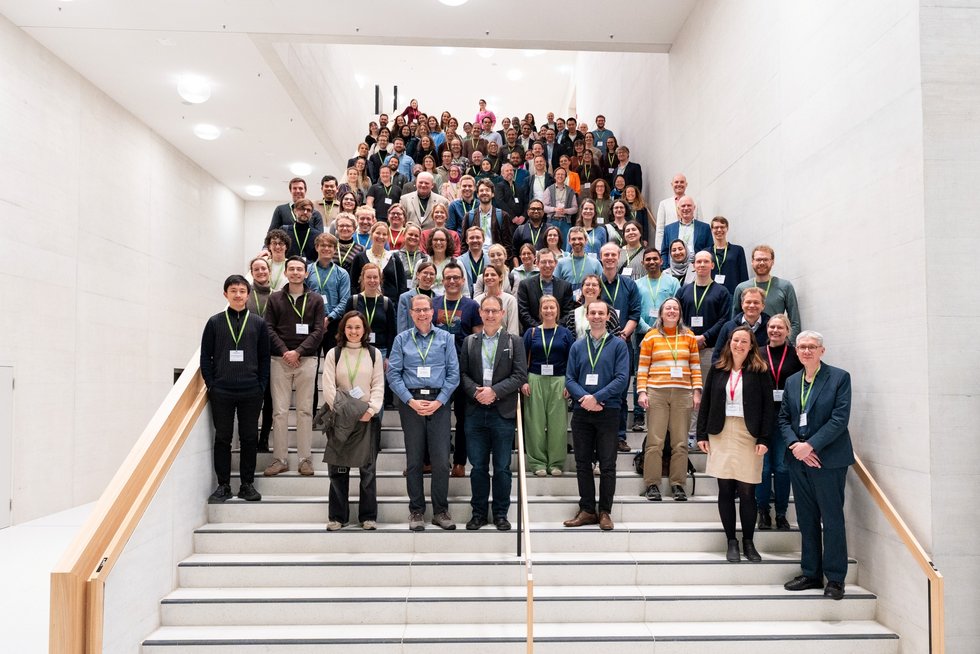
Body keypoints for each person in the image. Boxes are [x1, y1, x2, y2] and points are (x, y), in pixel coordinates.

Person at [778, 331, 854, 601]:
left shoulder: (839, 378)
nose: (806, 351)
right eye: (802, 347)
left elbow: (839, 419)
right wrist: (795, 446)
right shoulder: (792, 381)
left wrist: (810, 446)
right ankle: (811, 572)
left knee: (831, 519)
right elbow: (783, 418)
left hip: (827, 460)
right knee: (806, 518)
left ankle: (835, 578)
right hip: (798, 460)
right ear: (796, 351)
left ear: (822, 350)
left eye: (812, 347)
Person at [696, 326, 774, 562]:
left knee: (748, 491)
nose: (739, 345)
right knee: (725, 490)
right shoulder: (718, 368)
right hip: (721, 432)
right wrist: (701, 435)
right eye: (736, 340)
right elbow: (706, 402)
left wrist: (764, 438)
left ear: (751, 346)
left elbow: (768, 408)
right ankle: (731, 540)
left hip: (748, 433)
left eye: (744, 341)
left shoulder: (760, 370)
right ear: (729, 342)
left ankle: (748, 541)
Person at [387, 294, 461, 531]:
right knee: (414, 460)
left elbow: (454, 374)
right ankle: (416, 511)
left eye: (425, 310)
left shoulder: (446, 338)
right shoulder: (401, 340)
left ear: (432, 312)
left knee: (441, 461)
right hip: (411, 403)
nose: (421, 314)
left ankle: (440, 511)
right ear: (411, 313)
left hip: (439, 403)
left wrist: (440, 401)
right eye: (417, 310)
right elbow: (393, 374)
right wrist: (410, 401)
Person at [460, 296, 527, 530]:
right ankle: (478, 513)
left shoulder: (514, 342)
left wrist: (494, 392)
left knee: (502, 468)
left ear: (502, 314)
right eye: (486, 311)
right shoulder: (469, 342)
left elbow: (520, 376)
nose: (490, 315)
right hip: (475, 412)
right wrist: (476, 392)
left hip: (502, 412)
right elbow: (462, 374)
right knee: (478, 467)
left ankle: (500, 514)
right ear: (480, 312)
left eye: (494, 311)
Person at [201, 275, 270, 503]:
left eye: (242, 291)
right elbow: (205, 357)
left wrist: (261, 385)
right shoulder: (214, 322)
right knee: (223, 438)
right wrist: (212, 384)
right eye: (233, 291)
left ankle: (247, 485)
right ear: (225, 294)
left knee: (249, 438)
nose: (238, 295)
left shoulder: (259, 323)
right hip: (222, 391)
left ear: (248, 295)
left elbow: (264, 358)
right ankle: (223, 485)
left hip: (251, 390)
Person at [563, 300, 630, 531]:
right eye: (593, 313)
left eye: (601, 313)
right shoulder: (577, 346)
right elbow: (569, 378)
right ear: (587, 316)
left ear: (608, 317)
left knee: (608, 464)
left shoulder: (618, 345)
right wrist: (585, 398)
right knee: (582, 463)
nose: (597, 316)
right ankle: (587, 510)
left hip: (608, 411)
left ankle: (605, 512)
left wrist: (597, 397)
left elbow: (622, 378)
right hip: (582, 411)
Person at [321, 311, 385, 530]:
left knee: (368, 471)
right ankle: (338, 517)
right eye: (349, 327)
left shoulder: (374, 354)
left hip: (367, 418)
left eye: (358, 327)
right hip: (340, 419)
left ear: (365, 330)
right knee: (338, 470)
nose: (354, 331)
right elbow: (328, 386)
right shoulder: (334, 353)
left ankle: (368, 516)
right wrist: (343, 411)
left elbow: (378, 384)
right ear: (343, 329)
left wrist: (372, 409)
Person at [635, 297, 702, 502]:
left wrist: (697, 391)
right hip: (657, 392)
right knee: (655, 441)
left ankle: (678, 484)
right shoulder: (651, 337)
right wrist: (642, 392)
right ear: (661, 314)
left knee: (680, 442)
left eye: (675, 308)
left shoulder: (689, 336)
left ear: (680, 313)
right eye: (668, 309)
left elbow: (695, 366)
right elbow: (643, 367)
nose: (672, 311)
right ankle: (652, 484)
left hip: (683, 393)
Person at [264, 256, 325, 477]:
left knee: (305, 411)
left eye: (300, 269)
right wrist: (285, 352)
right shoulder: (275, 298)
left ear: (306, 273)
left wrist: (298, 352)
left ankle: (304, 459)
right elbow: (268, 328)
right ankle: (279, 459)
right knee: (279, 412)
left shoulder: (316, 299)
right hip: (279, 360)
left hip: (306, 360)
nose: (296, 272)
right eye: (292, 269)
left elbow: (319, 330)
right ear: (286, 273)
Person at [434, 262, 483, 478]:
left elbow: (479, 339)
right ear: (442, 281)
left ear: (463, 281)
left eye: (456, 277)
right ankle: (436, 459)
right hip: (438, 370)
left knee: (463, 418)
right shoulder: (434, 304)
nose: (452, 281)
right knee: (437, 417)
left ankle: (460, 462)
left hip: (464, 370)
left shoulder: (471, 306)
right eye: (448, 278)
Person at [757, 314, 802, 530]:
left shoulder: (795, 355)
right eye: (772, 327)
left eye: (780, 327)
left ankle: (782, 513)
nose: (775, 331)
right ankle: (763, 511)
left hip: (787, 421)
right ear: (767, 329)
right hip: (762, 419)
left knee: (783, 468)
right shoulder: (757, 353)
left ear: (787, 331)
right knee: (764, 469)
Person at [522, 296, 576, 476]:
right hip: (535, 379)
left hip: (559, 380)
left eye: (552, 307)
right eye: (545, 307)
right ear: (540, 311)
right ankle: (537, 462)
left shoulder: (565, 333)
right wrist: (523, 381)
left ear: (557, 310)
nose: (548, 311)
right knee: (535, 423)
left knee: (558, 424)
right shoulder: (531, 333)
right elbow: (521, 359)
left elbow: (572, 361)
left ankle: (556, 463)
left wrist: (570, 384)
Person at [676, 251, 732, 368]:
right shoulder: (683, 291)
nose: (702, 264)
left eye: (706, 261)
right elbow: (677, 317)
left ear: (712, 265)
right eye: (699, 261)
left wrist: (704, 337)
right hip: (685, 346)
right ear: (693, 265)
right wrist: (690, 338)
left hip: (711, 348)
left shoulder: (722, 292)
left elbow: (724, 319)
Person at [732, 245, 802, 337]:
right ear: (752, 262)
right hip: (748, 341)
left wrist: (788, 343)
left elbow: (795, 322)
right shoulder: (741, 288)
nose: (762, 263)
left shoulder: (785, 286)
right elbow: (734, 321)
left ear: (772, 262)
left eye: (765, 260)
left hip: (775, 340)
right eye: (758, 260)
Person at [245, 257, 275, 451]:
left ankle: (264, 439)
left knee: (270, 399)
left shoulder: (277, 295)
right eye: (256, 269)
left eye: (263, 268)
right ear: (252, 272)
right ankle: (251, 438)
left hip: (272, 353)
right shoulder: (245, 295)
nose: (260, 272)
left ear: (269, 271)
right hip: (251, 354)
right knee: (253, 398)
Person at [349, 221, 408, 307]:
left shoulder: (394, 258)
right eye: (378, 233)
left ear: (388, 237)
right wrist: (358, 303)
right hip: (364, 305)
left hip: (389, 305)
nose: (381, 236)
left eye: (384, 234)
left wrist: (397, 304)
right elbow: (353, 284)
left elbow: (402, 285)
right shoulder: (360, 257)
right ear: (371, 234)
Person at [517, 249, 574, 334]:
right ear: (537, 263)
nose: (547, 265)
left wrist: (555, 328)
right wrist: (539, 329)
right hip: (533, 333)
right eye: (543, 262)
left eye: (550, 262)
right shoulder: (525, 285)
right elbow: (523, 312)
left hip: (558, 333)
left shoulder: (565, 286)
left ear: (555, 263)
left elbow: (568, 313)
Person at [345, 263, 397, 355]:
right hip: (357, 349)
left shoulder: (386, 302)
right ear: (362, 279)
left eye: (375, 277)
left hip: (381, 351)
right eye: (368, 277)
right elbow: (344, 328)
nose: (372, 280)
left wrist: (388, 356)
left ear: (380, 279)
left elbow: (392, 332)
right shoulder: (353, 301)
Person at [713, 286, 771, 364]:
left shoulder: (771, 328)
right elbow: (717, 356)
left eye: (756, 302)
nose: (752, 305)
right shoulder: (728, 327)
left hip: (763, 370)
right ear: (742, 304)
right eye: (748, 302)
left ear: (763, 306)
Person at [564, 274, 620, 339]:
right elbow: (570, 339)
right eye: (587, 284)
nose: (590, 287)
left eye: (594, 285)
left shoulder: (609, 311)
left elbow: (616, 337)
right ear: (582, 289)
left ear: (600, 290)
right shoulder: (573, 314)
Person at [654, 173, 702, 250]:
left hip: (692, 246)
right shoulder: (664, 204)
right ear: (672, 184)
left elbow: (700, 224)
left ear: (686, 184)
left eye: (682, 182)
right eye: (676, 182)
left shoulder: (695, 202)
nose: (679, 184)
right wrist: (659, 250)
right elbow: (660, 229)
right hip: (672, 247)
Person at [660, 196, 712, 264]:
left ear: (694, 208)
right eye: (683, 206)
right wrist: (666, 267)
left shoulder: (704, 228)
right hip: (674, 268)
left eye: (689, 205)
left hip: (697, 267)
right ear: (678, 209)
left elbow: (710, 249)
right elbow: (664, 252)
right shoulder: (669, 229)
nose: (686, 208)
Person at [474, 264, 519, 335]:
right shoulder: (476, 301)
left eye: (493, 275)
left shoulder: (510, 300)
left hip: (505, 340)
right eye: (486, 275)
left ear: (500, 277)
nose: (489, 277)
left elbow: (513, 329)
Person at [709, 216, 749, 296]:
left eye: (722, 227)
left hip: (732, 294)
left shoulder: (737, 250)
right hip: (711, 295)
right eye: (716, 227)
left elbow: (743, 275)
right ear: (712, 230)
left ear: (727, 228)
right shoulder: (706, 252)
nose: (719, 230)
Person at [555, 227, 602, 293]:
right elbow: (555, 287)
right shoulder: (561, 263)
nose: (577, 242)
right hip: (567, 299)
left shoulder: (595, 263)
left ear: (586, 240)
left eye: (580, 239)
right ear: (569, 241)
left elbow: (601, 287)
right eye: (573, 239)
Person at [397, 261, 437, 333]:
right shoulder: (405, 298)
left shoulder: (438, 298)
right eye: (425, 273)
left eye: (431, 274)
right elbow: (402, 327)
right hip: (412, 338)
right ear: (417, 275)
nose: (428, 276)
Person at [543, 167, 579, 240]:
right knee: (551, 242)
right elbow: (543, 207)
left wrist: (565, 211)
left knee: (566, 243)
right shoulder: (548, 190)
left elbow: (575, 208)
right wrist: (554, 209)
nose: (560, 176)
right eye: (558, 174)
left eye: (562, 174)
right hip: (552, 221)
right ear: (554, 176)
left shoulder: (571, 191)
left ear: (565, 177)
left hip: (565, 221)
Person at [393, 224, 429, 290]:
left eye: (416, 236)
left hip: (419, 293)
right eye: (410, 234)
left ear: (420, 238)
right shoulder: (395, 256)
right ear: (404, 235)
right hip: (399, 291)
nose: (413, 237)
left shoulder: (425, 258)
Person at [333, 213, 364, 277]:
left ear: (354, 229)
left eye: (348, 226)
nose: (344, 228)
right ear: (337, 228)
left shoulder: (361, 249)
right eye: (341, 225)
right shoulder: (331, 246)